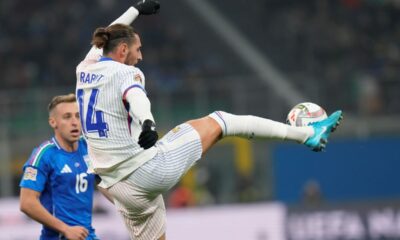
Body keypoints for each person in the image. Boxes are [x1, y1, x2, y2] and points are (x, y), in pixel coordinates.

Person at [75, 2, 343, 240]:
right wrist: (148, 123)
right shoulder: (127, 73)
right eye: (137, 49)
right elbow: (136, 98)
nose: (140, 56)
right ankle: (308, 134)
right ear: (123, 49)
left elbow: (103, 41)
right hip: (145, 171)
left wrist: (135, 9)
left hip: (116, 187)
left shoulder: (85, 68)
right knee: (222, 121)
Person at [19, 94, 99, 240]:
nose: (74, 122)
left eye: (77, 116)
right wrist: (66, 229)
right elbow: (26, 203)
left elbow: (103, 183)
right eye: (67, 117)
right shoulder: (43, 155)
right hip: (60, 236)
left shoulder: (88, 147)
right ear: (53, 122)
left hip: (87, 234)